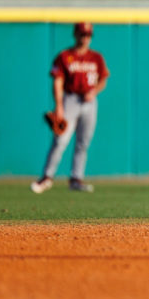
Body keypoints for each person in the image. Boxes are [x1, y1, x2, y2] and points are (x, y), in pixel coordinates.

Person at [31, 22, 110, 193]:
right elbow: (58, 82)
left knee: (83, 142)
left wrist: (94, 91)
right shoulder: (65, 56)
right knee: (60, 140)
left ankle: (76, 178)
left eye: (88, 35)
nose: (85, 38)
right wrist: (59, 106)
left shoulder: (96, 57)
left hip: (89, 102)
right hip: (71, 100)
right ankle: (47, 177)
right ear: (75, 34)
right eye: (82, 34)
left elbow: (103, 79)